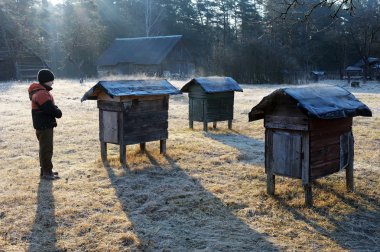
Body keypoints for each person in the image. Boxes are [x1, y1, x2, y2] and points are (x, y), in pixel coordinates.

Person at [28, 69, 62, 180]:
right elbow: (49, 109)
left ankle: (46, 170)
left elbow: (48, 107)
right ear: (45, 80)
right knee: (46, 149)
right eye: (51, 80)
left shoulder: (40, 92)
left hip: (43, 125)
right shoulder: (41, 93)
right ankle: (47, 172)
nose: (53, 82)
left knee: (44, 148)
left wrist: (54, 108)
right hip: (44, 125)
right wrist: (57, 111)